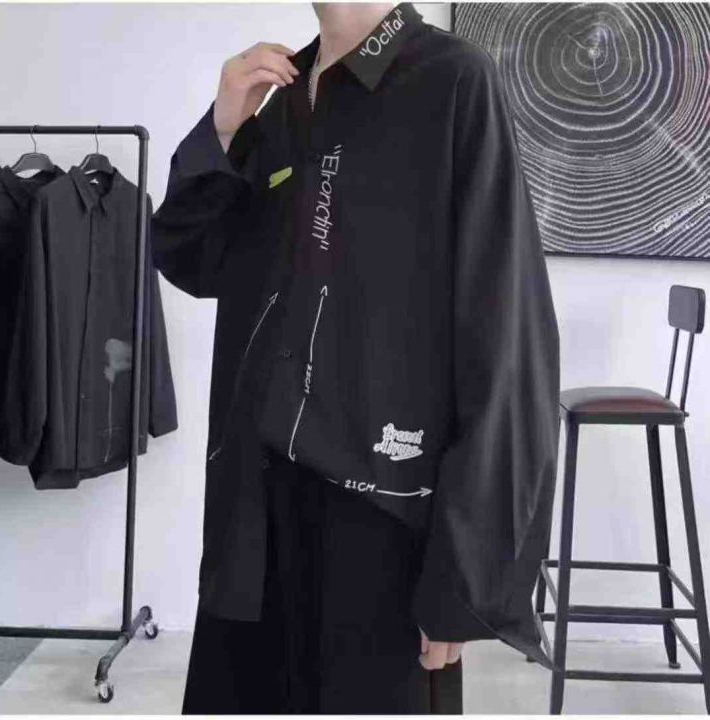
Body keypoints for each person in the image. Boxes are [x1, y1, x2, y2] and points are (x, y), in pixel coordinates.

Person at [152, 2, 560, 714]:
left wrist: (465, 578)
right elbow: (194, 258)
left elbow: (507, 335)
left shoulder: (453, 82)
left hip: (385, 521)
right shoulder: (282, 97)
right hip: (253, 512)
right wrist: (222, 128)